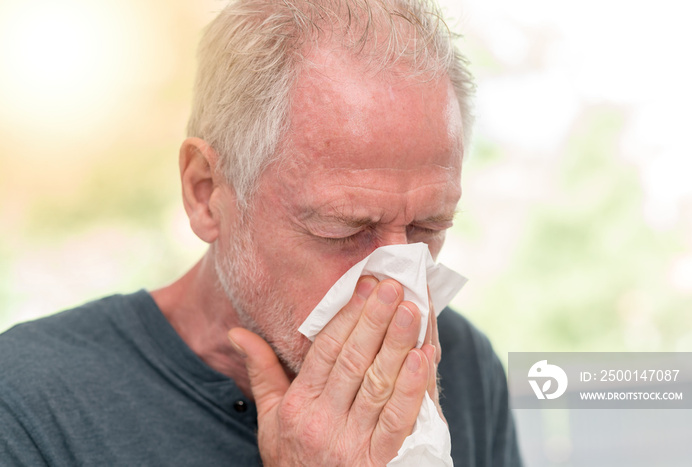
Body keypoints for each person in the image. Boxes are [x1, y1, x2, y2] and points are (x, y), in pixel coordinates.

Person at [0, 0, 521, 465]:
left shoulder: (463, 367)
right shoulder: (29, 407)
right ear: (206, 193)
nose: (397, 289)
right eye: (344, 230)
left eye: (429, 227)